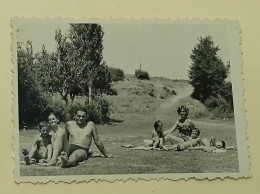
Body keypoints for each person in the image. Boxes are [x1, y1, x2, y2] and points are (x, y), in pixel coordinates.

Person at [46, 107, 112, 168]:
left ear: (87, 117)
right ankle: (54, 159)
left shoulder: (91, 125)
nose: (80, 118)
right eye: (78, 116)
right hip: (69, 147)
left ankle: (67, 162)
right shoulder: (69, 124)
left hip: (82, 149)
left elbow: (97, 140)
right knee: (61, 133)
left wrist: (106, 154)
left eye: (83, 116)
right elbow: (64, 139)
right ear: (75, 116)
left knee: (75, 155)